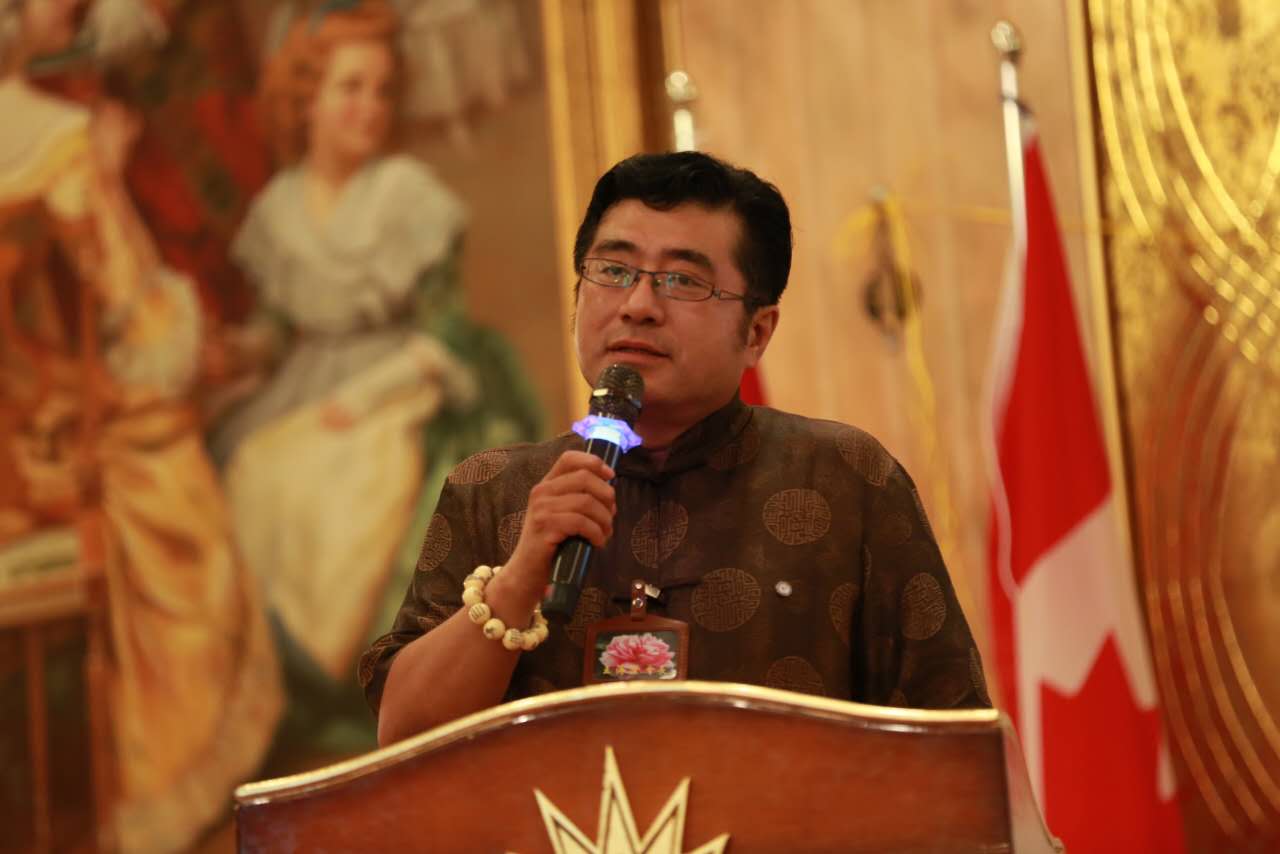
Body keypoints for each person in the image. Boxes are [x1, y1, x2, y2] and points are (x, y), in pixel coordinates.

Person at [361, 151, 989, 746]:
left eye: (682, 280)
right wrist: (520, 577)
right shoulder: (492, 489)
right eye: (613, 271)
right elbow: (405, 736)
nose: (638, 306)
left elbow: (951, 740)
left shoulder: (845, 478)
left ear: (757, 332)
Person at [0, 1, 282, 851]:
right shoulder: (62, 139)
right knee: (170, 459)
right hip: (47, 449)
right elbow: (134, 309)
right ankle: (162, 802)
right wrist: (111, 174)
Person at [210, 0, 541, 698]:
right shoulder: (278, 207)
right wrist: (235, 353)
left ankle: (346, 670)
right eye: (351, 88)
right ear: (307, 100)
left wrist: (363, 397)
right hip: (308, 377)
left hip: (403, 376)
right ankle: (283, 675)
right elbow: (277, 327)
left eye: (383, 91)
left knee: (350, 486)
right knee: (251, 469)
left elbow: (443, 331)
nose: (370, 108)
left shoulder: (407, 195)